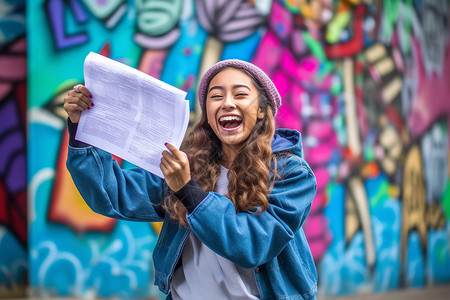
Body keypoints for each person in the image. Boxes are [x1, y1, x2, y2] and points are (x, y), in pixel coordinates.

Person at [64, 59, 318, 300]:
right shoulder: (191, 167)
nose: (227, 103)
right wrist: (82, 131)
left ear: (262, 110)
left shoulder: (291, 174)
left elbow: (251, 244)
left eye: (240, 94)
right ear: (207, 112)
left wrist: (188, 191)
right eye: (216, 96)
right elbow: (114, 195)